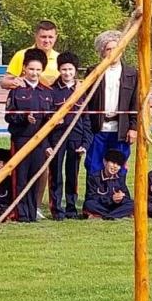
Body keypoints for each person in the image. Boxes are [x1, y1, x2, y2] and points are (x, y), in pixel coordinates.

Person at [4, 48, 55, 222]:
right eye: (31, 69)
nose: (34, 73)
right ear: (24, 68)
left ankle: (32, 213)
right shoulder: (17, 89)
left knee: (35, 177)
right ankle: (21, 214)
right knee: (21, 177)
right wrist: (24, 118)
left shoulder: (47, 92)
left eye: (38, 70)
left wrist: (47, 143)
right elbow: (8, 115)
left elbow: (50, 121)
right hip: (21, 139)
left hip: (40, 142)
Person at [85, 30, 139, 178]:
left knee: (118, 167)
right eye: (109, 49)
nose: (113, 52)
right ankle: (94, 199)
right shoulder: (93, 71)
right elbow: (87, 102)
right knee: (93, 165)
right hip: (97, 129)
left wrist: (133, 127)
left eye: (116, 48)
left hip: (121, 130)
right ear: (103, 52)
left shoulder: (131, 73)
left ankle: (116, 198)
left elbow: (135, 103)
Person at [48, 52, 92, 220]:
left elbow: (86, 118)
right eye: (63, 69)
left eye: (70, 69)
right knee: (56, 174)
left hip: (76, 137)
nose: (67, 73)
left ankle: (71, 208)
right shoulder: (52, 91)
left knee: (72, 174)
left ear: (75, 70)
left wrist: (85, 143)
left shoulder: (81, 90)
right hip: (57, 138)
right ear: (59, 70)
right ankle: (57, 209)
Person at [0, 20, 60, 89]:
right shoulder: (21, 55)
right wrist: (14, 82)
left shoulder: (59, 58)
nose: (47, 41)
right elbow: (4, 82)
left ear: (55, 37)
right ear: (36, 36)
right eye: (43, 37)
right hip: (27, 98)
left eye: (50, 37)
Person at [83, 149, 134, 219]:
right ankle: (116, 215)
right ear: (105, 162)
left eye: (118, 165)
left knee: (133, 204)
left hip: (115, 206)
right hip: (100, 206)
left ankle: (107, 216)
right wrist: (111, 199)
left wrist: (121, 198)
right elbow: (92, 197)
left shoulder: (120, 177)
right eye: (113, 162)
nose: (115, 166)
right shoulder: (93, 177)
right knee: (88, 204)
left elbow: (127, 197)